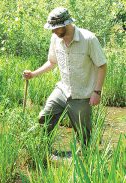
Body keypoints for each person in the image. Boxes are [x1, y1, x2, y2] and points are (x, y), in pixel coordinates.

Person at [23, 7, 107, 154]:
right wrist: (33, 74)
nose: (53, 31)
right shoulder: (56, 38)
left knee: (84, 135)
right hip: (62, 90)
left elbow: (102, 65)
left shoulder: (88, 39)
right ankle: (43, 150)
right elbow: (51, 62)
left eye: (55, 28)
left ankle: (85, 159)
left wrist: (97, 92)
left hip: (82, 94)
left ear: (66, 23)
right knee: (44, 118)